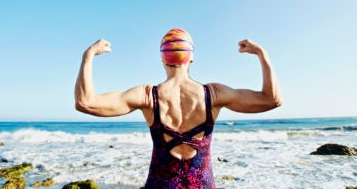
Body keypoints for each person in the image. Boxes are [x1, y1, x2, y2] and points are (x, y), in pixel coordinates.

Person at [74, 28, 282, 189]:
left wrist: (88, 55)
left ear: (162, 58)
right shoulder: (214, 94)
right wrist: (262, 54)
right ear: (191, 57)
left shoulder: (148, 96)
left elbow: (85, 102)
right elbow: (272, 99)